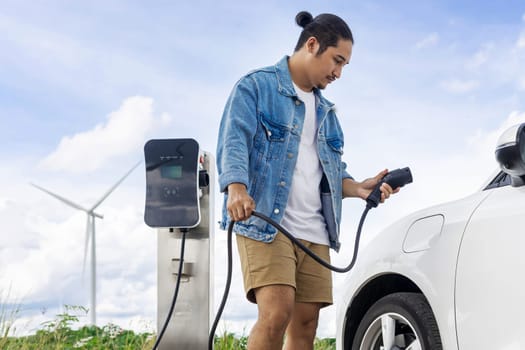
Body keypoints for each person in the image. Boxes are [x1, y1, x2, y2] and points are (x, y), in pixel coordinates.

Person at [216, 10, 397, 350]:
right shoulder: (256, 87)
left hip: (315, 230)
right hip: (267, 220)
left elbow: (331, 171)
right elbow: (233, 140)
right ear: (312, 45)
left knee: (306, 322)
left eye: (345, 65)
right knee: (276, 312)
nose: (339, 73)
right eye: (337, 60)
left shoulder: (328, 113)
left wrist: (359, 188)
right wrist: (236, 188)